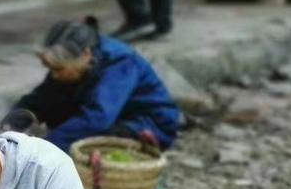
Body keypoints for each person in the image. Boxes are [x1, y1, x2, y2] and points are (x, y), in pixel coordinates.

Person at [13, 17, 179, 152]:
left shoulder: (120, 63)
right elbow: (41, 97)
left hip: (148, 122)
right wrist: (9, 127)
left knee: (88, 136)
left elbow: (98, 117)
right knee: (54, 98)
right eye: (50, 68)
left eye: (58, 69)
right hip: (113, 112)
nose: (53, 75)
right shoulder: (82, 59)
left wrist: (48, 147)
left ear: (86, 55)